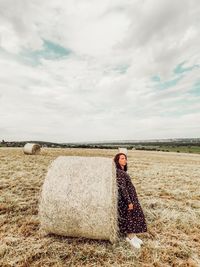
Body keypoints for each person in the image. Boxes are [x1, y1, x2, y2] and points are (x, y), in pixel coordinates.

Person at [114, 153, 147, 249]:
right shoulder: (119, 172)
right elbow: (122, 188)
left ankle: (133, 235)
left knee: (133, 216)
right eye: (122, 158)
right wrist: (129, 202)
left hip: (131, 197)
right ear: (117, 160)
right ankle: (130, 237)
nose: (125, 160)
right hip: (126, 200)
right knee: (129, 217)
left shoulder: (122, 171)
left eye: (125, 158)